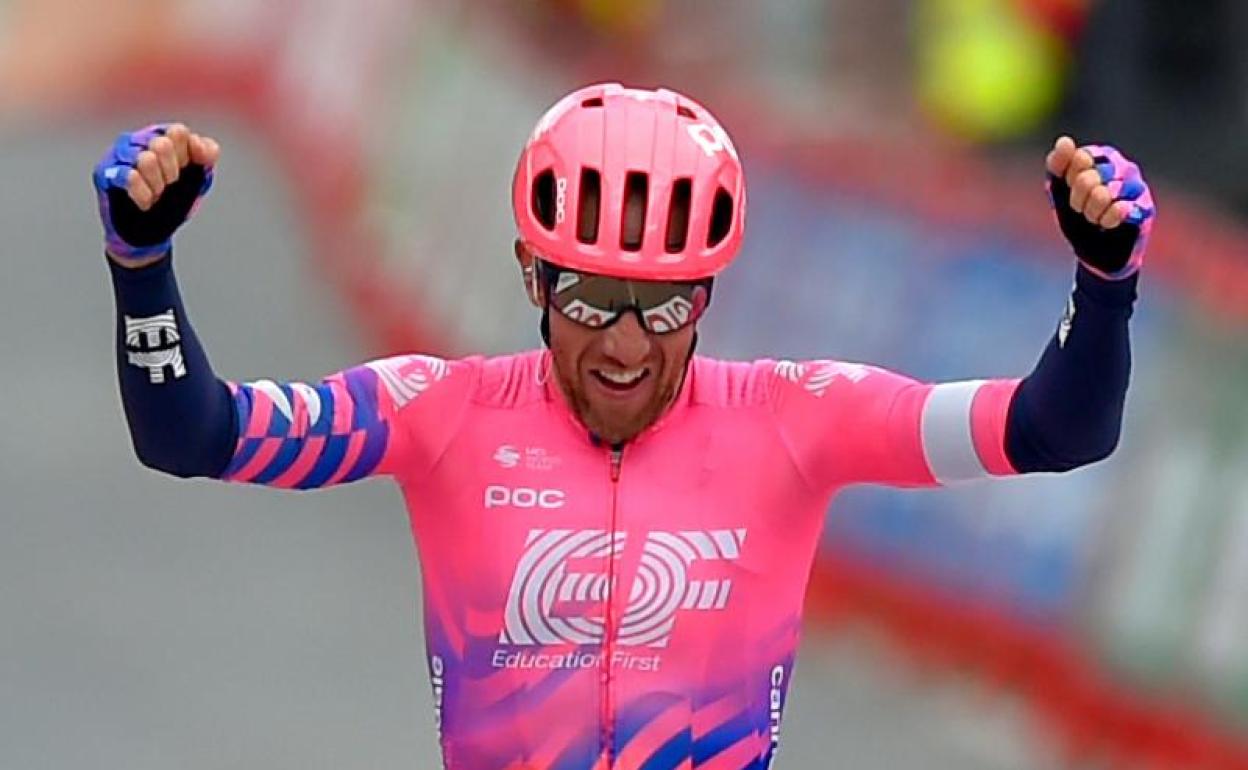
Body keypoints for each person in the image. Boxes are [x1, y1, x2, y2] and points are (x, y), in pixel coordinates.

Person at [95, 83, 1154, 769]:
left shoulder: (797, 417)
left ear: (709, 293)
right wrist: (142, 267)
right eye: (592, 299)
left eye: (666, 306)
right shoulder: (438, 410)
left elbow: (1052, 430)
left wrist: (1104, 286)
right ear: (531, 276)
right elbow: (196, 434)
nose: (627, 344)